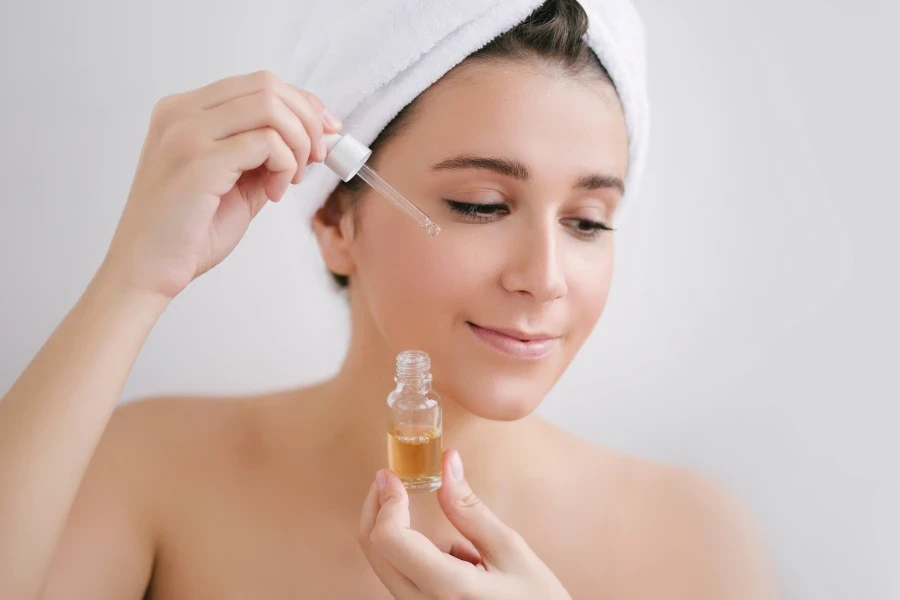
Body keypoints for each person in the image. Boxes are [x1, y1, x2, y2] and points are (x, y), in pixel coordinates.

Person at [0, 1, 777, 598]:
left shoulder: (696, 542)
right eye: (480, 204)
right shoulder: (148, 474)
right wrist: (133, 281)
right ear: (337, 221)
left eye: (587, 222)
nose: (545, 275)